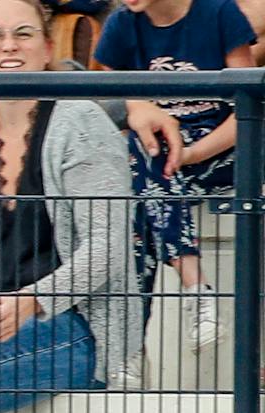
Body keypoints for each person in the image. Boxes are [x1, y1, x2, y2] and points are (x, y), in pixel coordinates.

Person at [0, 0, 141, 413]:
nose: (9, 46)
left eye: (23, 34)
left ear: (47, 49)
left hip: (68, 325)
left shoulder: (81, 122)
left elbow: (107, 249)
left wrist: (31, 300)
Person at [95, 0, 256, 352]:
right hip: (161, 163)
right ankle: (194, 289)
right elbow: (107, 92)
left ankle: (128, 349)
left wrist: (190, 153)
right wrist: (138, 108)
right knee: (146, 177)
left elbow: (250, 106)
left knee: (148, 167)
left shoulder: (219, 13)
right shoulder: (121, 24)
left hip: (224, 153)